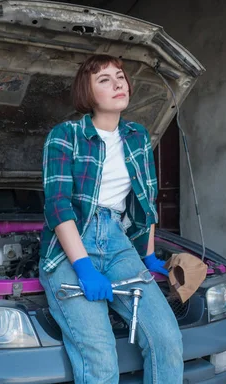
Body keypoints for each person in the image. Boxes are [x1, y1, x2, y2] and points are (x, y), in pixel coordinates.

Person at [39, 54, 184, 383]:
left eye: (120, 76)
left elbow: (146, 199)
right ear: (87, 93)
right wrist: (84, 268)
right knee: (101, 356)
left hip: (118, 242)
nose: (118, 83)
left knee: (166, 339)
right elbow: (58, 205)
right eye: (104, 79)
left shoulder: (137, 136)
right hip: (69, 246)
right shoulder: (66, 135)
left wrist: (147, 255)